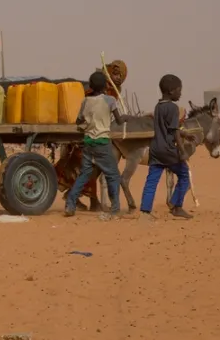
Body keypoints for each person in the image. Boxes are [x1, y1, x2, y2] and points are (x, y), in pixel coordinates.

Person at [54, 60, 128, 209]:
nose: (118, 78)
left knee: (87, 172)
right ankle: (109, 206)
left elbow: (79, 118)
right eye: (115, 74)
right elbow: (117, 118)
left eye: (121, 75)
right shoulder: (105, 97)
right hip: (95, 141)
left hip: (88, 138)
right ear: (107, 74)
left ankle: (75, 201)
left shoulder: (109, 93)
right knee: (109, 172)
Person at [139, 74, 195, 220]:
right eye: (179, 90)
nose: (180, 93)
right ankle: (177, 206)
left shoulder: (159, 107)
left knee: (151, 180)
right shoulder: (173, 108)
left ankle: (145, 211)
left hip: (156, 149)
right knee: (184, 175)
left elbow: (167, 128)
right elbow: (174, 131)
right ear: (171, 91)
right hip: (169, 151)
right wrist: (182, 151)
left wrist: (185, 135)